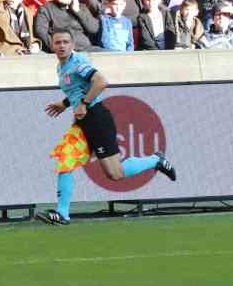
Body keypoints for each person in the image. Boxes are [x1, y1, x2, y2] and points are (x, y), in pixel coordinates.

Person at [37, 29, 177, 225]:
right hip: (82, 123)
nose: (61, 46)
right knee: (65, 159)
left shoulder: (78, 64)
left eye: (65, 42)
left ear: (73, 44)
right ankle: (62, 213)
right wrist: (65, 103)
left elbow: (101, 82)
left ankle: (155, 160)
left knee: (115, 174)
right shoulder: (61, 67)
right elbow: (79, 90)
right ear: (51, 45)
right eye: (58, 42)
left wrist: (84, 104)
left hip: (97, 119)